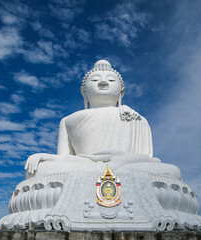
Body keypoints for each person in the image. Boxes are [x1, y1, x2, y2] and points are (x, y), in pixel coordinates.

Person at [25, 60, 181, 180]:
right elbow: (65, 159)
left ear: (121, 92)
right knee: (39, 170)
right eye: (95, 80)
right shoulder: (68, 121)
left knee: (172, 172)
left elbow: (147, 159)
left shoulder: (136, 119)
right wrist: (45, 158)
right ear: (83, 92)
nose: (103, 82)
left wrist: (119, 157)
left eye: (111, 80)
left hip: (126, 166)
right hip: (84, 166)